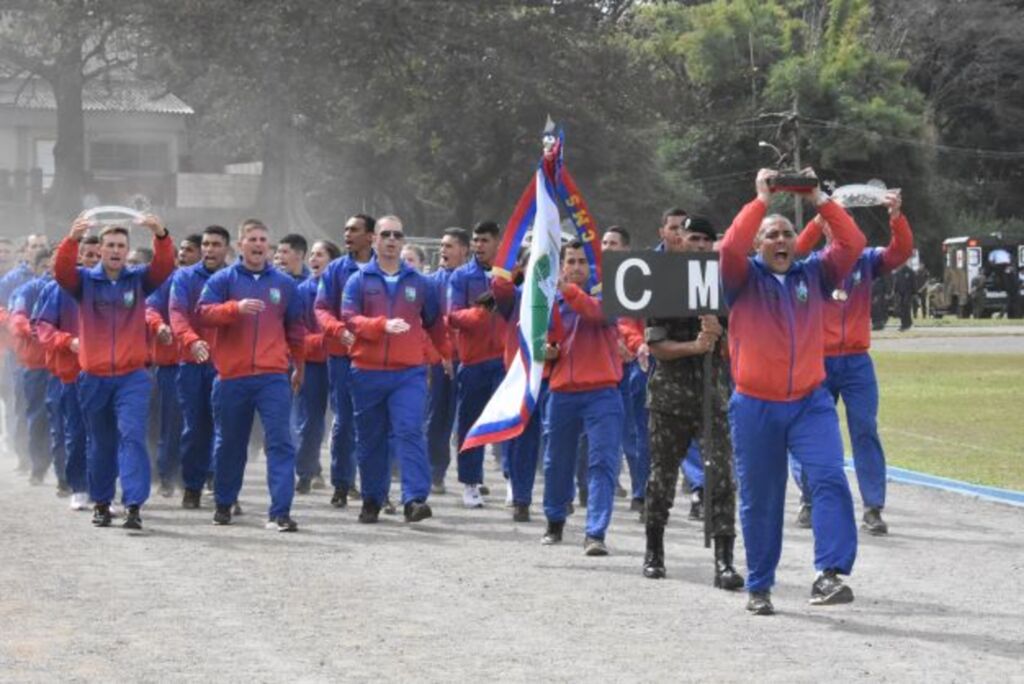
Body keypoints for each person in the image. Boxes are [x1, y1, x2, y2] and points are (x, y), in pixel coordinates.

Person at [720, 169, 864, 616]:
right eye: (771, 235)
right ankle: (760, 585)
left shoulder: (814, 274)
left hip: (809, 402)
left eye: (786, 234)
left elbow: (853, 243)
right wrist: (761, 199)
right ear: (759, 245)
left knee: (828, 477)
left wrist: (820, 198)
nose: (781, 240)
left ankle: (829, 573)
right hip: (754, 406)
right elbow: (728, 247)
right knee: (761, 497)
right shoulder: (741, 278)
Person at [791, 191, 913, 536]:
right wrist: (819, 215)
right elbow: (796, 249)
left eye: (849, 225)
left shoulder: (867, 260)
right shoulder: (812, 266)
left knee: (865, 430)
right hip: (818, 361)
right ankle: (809, 499)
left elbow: (901, 252)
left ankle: (873, 507)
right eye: (836, 225)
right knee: (812, 432)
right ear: (828, 231)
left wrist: (896, 217)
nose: (845, 232)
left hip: (857, 361)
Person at [639, 216, 744, 590]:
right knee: (661, 477)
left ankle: (724, 561)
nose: (700, 245)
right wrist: (695, 346)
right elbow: (656, 347)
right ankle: (654, 552)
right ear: (680, 240)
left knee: (721, 479)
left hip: (713, 398)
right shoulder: (661, 284)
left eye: (707, 239)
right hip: (670, 397)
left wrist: (719, 333)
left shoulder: (728, 285)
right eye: (693, 238)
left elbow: (743, 346)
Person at [54, 215, 175, 530]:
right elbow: (61, 272)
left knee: (132, 435)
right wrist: (72, 239)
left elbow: (163, 267)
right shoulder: (83, 281)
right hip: (93, 377)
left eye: (122, 246)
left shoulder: (138, 280)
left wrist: (160, 234)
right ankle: (102, 503)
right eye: (110, 245)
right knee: (101, 442)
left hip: (132, 376)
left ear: (127, 250)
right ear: (101, 249)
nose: (116, 251)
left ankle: (133, 504)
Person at [198, 219, 306, 532]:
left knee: (280, 443)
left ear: (269, 247)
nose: (258, 245)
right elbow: (203, 312)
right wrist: (235, 308)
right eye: (252, 239)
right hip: (232, 376)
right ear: (241, 245)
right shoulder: (223, 280)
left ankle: (280, 511)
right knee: (230, 443)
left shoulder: (285, 285)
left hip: (272, 377)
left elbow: (296, 329)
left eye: (263, 240)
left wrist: (299, 365)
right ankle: (224, 502)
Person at [341, 215, 450, 524]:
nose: (391, 240)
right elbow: (349, 318)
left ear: (403, 241)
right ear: (374, 239)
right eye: (385, 234)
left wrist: (447, 355)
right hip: (367, 371)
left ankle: (414, 499)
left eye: (397, 235)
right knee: (371, 439)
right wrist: (381, 325)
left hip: (408, 373)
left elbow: (435, 323)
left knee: (409, 429)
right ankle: (373, 498)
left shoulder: (420, 283)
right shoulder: (358, 280)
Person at [540, 240, 624, 556]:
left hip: (603, 392)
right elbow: (536, 342)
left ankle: (595, 532)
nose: (576, 268)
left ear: (593, 268)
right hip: (562, 392)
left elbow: (598, 314)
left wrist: (569, 291)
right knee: (556, 462)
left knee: (602, 462)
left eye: (582, 262)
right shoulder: (549, 301)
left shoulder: (609, 294)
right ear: (561, 266)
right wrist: (545, 352)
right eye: (570, 261)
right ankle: (554, 520)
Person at [34, 236, 100, 511]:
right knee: (75, 432)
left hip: (111, 374)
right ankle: (79, 486)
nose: (95, 259)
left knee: (107, 434)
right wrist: (68, 341)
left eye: (100, 254)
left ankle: (102, 488)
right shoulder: (61, 289)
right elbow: (42, 328)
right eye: (89, 255)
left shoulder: (123, 287)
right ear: (79, 257)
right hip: (72, 374)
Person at [314, 214, 376, 508]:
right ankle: (342, 483)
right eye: (346, 229)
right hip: (342, 357)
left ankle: (376, 487)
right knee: (344, 421)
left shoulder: (388, 268)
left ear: (370, 236)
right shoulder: (336, 270)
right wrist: (338, 331)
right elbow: (322, 309)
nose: (347, 234)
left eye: (354, 230)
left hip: (379, 360)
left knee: (377, 423)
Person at [169, 225, 232, 509]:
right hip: (192, 363)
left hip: (227, 365)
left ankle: (223, 490)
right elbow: (177, 315)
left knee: (228, 429)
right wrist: (192, 341)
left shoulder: (235, 278)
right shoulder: (184, 277)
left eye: (216, 244)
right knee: (195, 428)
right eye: (205, 244)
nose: (209, 249)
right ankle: (192, 486)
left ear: (227, 249)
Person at [447, 220, 508, 508]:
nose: (478, 246)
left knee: (508, 422)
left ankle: (512, 480)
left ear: (498, 242)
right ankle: (471, 482)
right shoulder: (460, 277)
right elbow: (453, 316)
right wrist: (483, 311)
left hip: (505, 361)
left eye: (484, 240)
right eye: (475, 240)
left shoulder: (512, 274)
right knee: (470, 424)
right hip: (472, 362)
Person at [145, 234, 202, 497]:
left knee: (202, 424)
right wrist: (160, 325)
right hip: (170, 365)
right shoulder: (168, 280)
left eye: (190, 250)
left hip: (206, 365)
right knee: (170, 422)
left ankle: (200, 476)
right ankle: (166, 475)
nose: (183, 254)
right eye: (181, 249)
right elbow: (150, 308)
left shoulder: (216, 282)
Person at [602, 225, 651, 512]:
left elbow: (633, 321)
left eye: (614, 243)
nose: (608, 248)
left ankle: (640, 489)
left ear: (626, 249)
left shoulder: (637, 279)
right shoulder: (594, 279)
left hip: (632, 367)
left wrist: (632, 344)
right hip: (602, 368)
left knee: (635, 433)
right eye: (605, 243)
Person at [294, 239, 342, 493]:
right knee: (310, 420)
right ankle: (306, 472)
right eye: (311, 255)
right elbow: (296, 330)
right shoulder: (302, 291)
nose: (313, 259)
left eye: (320, 255)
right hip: (313, 364)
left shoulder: (344, 288)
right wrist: (323, 340)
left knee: (344, 420)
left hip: (341, 362)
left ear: (333, 261)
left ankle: (344, 478)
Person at [425, 228, 468, 493]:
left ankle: (470, 477)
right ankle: (435, 471)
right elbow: (426, 323)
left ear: (464, 250)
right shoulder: (430, 283)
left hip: (469, 359)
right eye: (441, 245)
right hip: (440, 360)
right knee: (436, 417)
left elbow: (484, 314)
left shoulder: (476, 281)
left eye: (449, 246)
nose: (443, 250)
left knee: (467, 418)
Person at [8, 249, 55, 487]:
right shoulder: (27, 291)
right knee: (37, 417)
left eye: (54, 265)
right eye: (45, 266)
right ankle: (38, 466)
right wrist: (38, 332)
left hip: (65, 367)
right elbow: (17, 321)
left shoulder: (72, 288)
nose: (50, 270)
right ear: (36, 269)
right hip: (36, 366)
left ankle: (68, 473)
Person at [892, 264, 915, 330]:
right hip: (900, 293)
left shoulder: (910, 271)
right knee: (901, 309)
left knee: (906, 308)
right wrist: (895, 291)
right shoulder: (898, 271)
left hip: (908, 293)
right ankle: (903, 323)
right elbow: (896, 282)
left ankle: (907, 324)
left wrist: (914, 293)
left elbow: (913, 282)